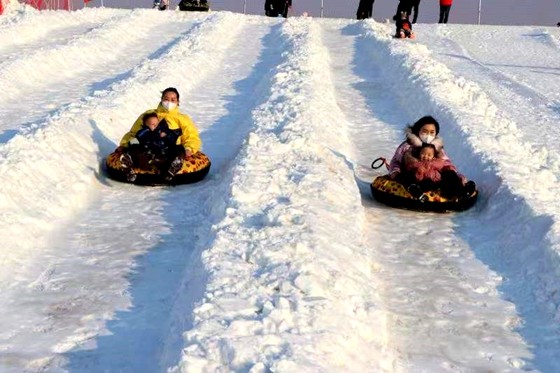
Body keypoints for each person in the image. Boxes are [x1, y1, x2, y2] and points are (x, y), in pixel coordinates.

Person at [116, 87, 202, 182]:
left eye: (173, 100)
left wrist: (189, 148)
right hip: (148, 149)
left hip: (168, 150)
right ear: (161, 99)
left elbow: (191, 136)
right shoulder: (149, 115)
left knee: (179, 150)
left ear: (178, 102)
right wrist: (124, 145)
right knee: (135, 147)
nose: (169, 102)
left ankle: (172, 168)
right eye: (166, 99)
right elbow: (134, 133)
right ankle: (129, 164)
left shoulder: (183, 119)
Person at [388, 116, 474, 199]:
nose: (428, 135)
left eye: (432, 132)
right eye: (425, 131)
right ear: (418, 130)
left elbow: (446, 163)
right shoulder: (407, 146)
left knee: (450, 174)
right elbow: (396, 161)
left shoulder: (437, 147)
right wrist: (395, 173)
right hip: (416, 176)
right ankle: (414, 190)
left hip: (434, 177)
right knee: (407, 177)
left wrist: (457, 176)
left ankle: (462, 192)